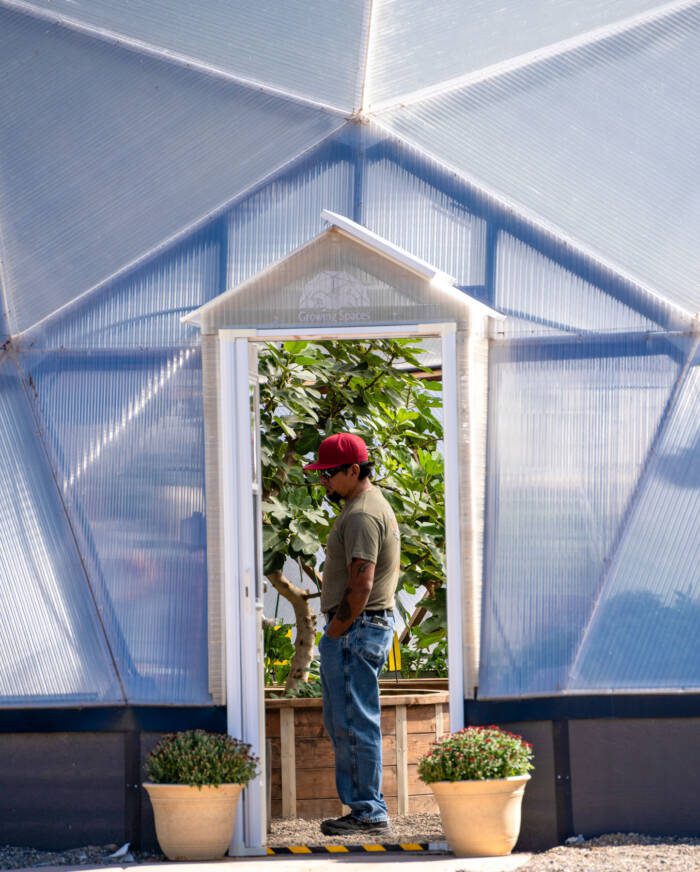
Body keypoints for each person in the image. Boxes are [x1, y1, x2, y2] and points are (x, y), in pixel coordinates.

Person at [303, 432, 400, 836]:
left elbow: (361, 584)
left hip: (356, 629)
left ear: (353, 470)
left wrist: (333, 634)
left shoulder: (361, 514)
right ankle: (365, 808)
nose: (323, 481)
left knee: (354, 720)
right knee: (349, 718)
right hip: (362, 628)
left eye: (329, 474)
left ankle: (368, 813)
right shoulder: (366, 506)